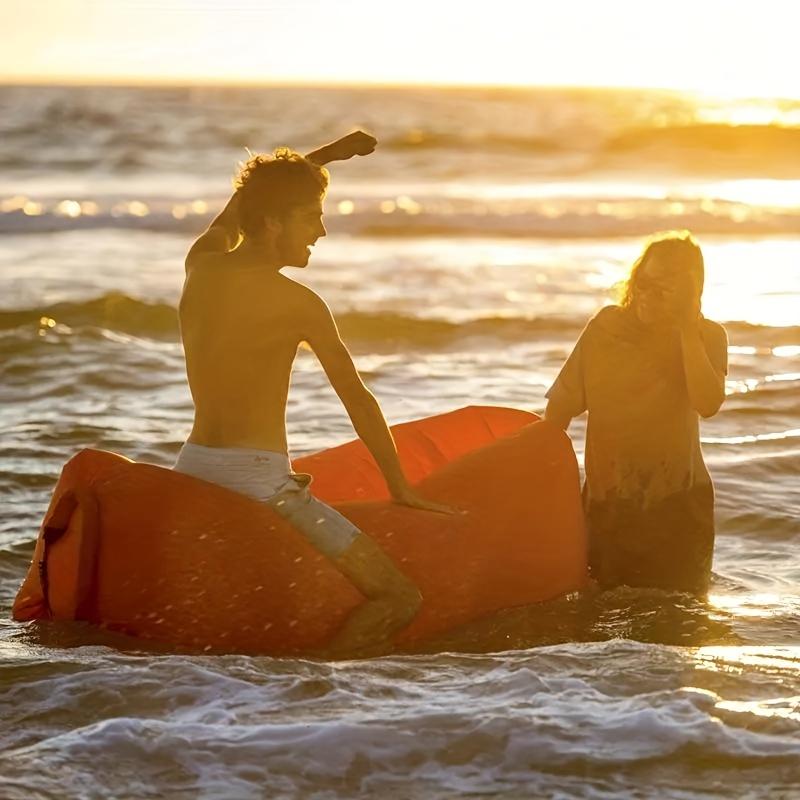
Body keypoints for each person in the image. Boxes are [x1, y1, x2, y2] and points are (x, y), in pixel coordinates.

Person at [174, 131, 450, 656]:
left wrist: (319, 160)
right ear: (273, 223)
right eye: (310, 217)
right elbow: (357, 398)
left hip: (192, 469)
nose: (321, 232)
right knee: (399, 598)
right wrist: (400, 488)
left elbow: (239, 208)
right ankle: (315, 686)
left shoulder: (201, 264)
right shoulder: (299, 303)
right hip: (261, 484)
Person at [544, 231, 727, 595]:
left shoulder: (707, 336)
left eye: (664, 289)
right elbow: (560, 408)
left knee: (679, 616)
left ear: (690, 293)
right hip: (609, 506)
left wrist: (686, 328)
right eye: (643, 283)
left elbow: (707, 403)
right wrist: (540, 479)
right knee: (599, 611)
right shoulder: (606, 329)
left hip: (678, 508)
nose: (647, 295)